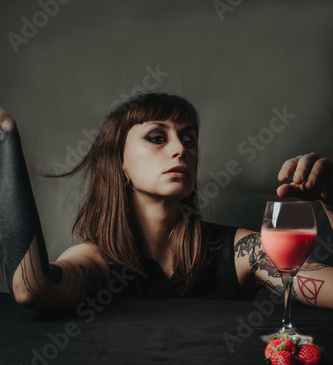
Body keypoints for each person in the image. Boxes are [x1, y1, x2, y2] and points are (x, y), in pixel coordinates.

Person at [0, 93, 333, 312]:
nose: (180, 149)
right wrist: (6, 139)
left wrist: (331, 202)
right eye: (157, 137)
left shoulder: (240, 251)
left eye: (188, 140)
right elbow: (32, 289)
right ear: (120, 163)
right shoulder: (98, 261)